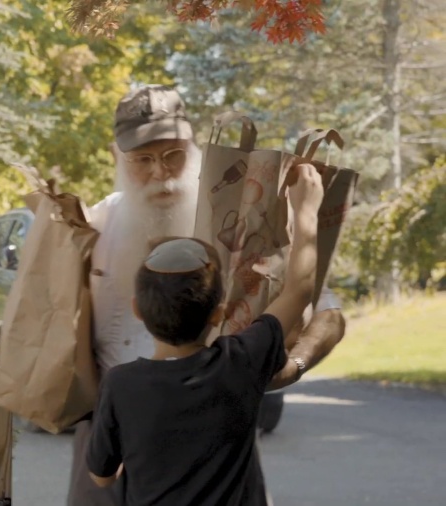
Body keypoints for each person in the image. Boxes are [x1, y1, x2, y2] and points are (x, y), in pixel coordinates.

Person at [67, 85, 346, 506]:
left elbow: (327, 312)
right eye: (142, 159)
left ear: (195, 146)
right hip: (108, 438)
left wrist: (295, 365)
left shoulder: (240, 218)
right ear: (117, 158)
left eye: (173, 154)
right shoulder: (93, 227)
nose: (161, 172)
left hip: (217, 451)